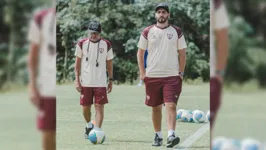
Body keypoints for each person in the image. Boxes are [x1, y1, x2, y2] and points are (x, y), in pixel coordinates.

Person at [137, 3, 187, 148]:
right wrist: (142, 73)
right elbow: (140, 53)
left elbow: (183, 53)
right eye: (159, 12)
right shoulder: (147, 31)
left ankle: (171, 135)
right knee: (156, 107)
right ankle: (158, 136)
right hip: (152, 76)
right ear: (155, 15)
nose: (161, 14)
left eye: (164, 12)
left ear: (168, 15)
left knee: (171, 105)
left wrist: (181, 72)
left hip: (172, 76)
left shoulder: (176, 31)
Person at [74, 21, 114, 139]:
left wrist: (110, 80)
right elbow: (77, 65)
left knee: (99, 106)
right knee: (85, 108)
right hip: (85, 82)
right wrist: (77, 80)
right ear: (88, 33)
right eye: (91, 33)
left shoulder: (107, 44)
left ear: (100, 33)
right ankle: (89, 125)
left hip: (100, 82)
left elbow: (110, 64)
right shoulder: (81, 44)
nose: (93, 35)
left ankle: (97, 131)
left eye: (96, 33)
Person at [27, 6, 56, 150]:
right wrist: (32, 86)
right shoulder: (40, 18)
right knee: (48, 133)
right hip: (47, 88)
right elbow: (33, 55)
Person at [210, 0, 230, 137]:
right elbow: (223, 39)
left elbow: (223, 38)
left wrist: (220, 71)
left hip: (212, 75)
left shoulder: (216, 3)